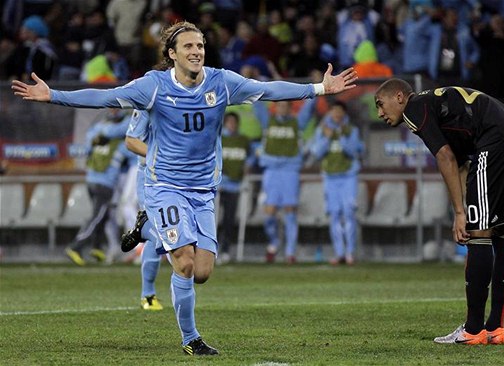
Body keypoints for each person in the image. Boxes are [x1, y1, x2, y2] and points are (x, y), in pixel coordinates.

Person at [12, 21, 357, 356]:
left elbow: (267, 90)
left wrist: (320, 89)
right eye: (189, 46)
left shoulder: (222, 83)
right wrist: (53, 95)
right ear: (172, 53)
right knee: (185, 263)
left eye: (201, 46)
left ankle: (147, 229)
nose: (197, 51)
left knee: (203, 272)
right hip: (166, 187)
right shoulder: (154, 86)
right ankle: (191, 339)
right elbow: (106, 96)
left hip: (204, 190)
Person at [374, 79, 504, 345]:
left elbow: (445, 157)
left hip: (495, 142)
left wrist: (461, 213)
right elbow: (460, 163)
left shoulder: (415, 108)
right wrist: (462, 210)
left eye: (381, 104)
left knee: (479, 232)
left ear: (400, 97)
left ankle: (473, 330)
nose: (380, 113)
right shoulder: (440, 106)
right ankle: (495, 328)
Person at [65, 109, 133, 265]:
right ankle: (76, 246)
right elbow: (132, 149)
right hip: (105, 183)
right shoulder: (122, 142)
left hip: (91, 179)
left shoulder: (96, 132)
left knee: (104, 216)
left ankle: (96, 248)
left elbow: (88, 147)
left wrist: (101, 134)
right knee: (97, 217)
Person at [254, 97, 317, 264]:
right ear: (276, 108)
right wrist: (251, 80)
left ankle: (290, 252)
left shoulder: (297, 123)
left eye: (285, 106)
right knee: (269, 212)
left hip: (290, 171)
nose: (282, 109)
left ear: (290, 108)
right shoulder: (268, 121)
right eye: (279, 106)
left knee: (290, 211)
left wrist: (316, 91)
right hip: (272, 171)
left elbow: (308, 110)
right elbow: (257, 106)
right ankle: (274, 243)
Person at [310, 101, 364, 265]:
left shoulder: (351, 130)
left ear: (344, 114)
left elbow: (353, 151)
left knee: (348, 213)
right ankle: (339, 253)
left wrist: (339, 135)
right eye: (334, 112)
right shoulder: (323, 130)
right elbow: (316, 153)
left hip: (348, 176)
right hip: (330, 177)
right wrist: (326, 138)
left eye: (339, 112)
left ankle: (350, 253)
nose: (337, 115)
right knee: (334, 214)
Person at [123, 109, 165, 310]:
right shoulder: (147, 102)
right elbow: (131, 141)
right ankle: (147, 295)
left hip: (180, 177)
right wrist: (162, 157)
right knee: (157, 235)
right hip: (150, 175)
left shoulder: (185, 100)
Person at [217, 111, 254, 263]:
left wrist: (248, 166)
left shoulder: (243, 140)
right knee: (213, 219)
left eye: (234, 122)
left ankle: (225, 249)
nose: (231, 125)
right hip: (218, 185)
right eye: (229, 122)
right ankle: (209, 249)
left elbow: (251, 158)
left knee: (229, 219)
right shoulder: (219, 139)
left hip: (234, 185)